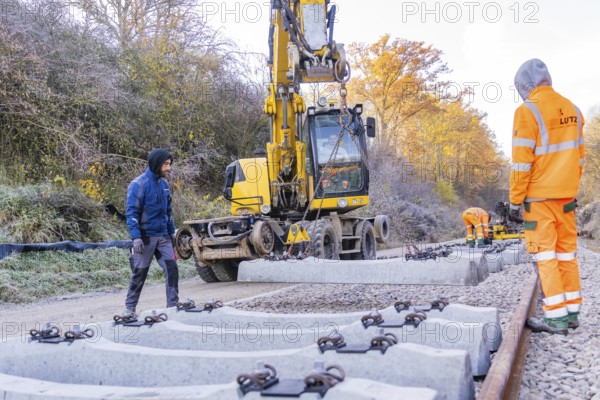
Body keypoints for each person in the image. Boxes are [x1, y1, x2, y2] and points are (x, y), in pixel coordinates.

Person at [510, 59, 584, 335]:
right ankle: (572, 312)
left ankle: (555, 318)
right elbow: (580, 159)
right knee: (567, 256)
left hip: (539, 201)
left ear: (524, 85)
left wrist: (516, 199)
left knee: (546, 257)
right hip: (566, 199)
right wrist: (570, 189)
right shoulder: (574, 110)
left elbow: (521, 162)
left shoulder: (527, 111)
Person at [122, 148, 179, 319]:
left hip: (163, 238)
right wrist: (136, 238)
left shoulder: (164, 185)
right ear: (157, 163)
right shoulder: (138, 185)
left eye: (169, 164)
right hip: (145, 239)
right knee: (139, 273)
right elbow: (131, 213)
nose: (168, 168)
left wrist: (172, 233)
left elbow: (168, 212)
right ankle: (129, 308)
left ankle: (173, 305)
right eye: (166, 164)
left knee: (172, 269)